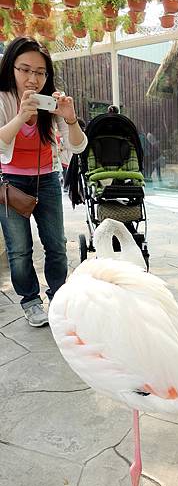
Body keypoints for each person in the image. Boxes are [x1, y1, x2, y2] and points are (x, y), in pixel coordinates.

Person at [0, 37, 87, 327]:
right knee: (20, 249)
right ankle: (31, 300)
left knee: (56, 244)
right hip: (10, 183)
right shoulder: (3, 99)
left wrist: (71, 119)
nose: (32, 78)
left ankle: (59, 296)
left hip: (47, 180)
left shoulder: (53, 102)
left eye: (39, 72)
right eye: (25, 69)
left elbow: (78, 147)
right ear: (11, 67)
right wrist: (21, 117)